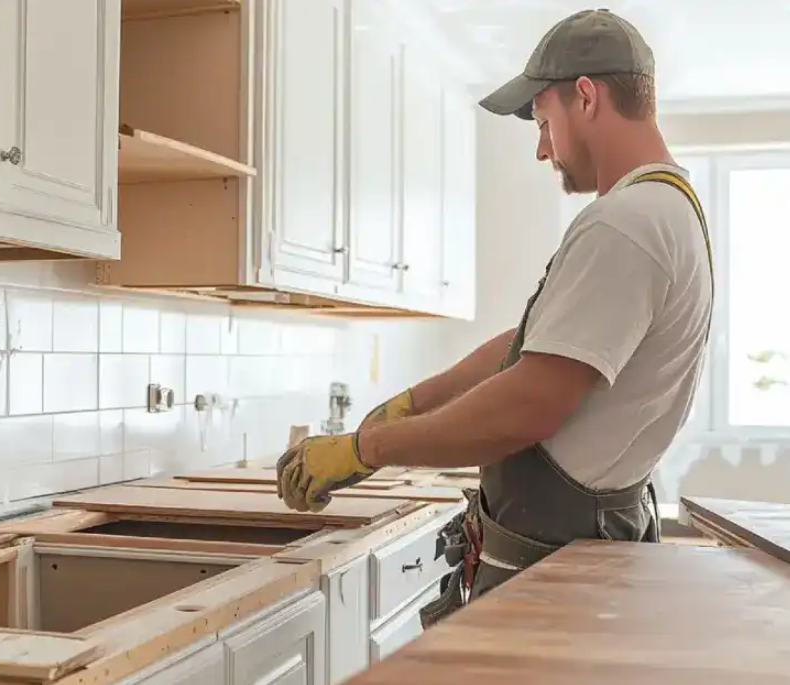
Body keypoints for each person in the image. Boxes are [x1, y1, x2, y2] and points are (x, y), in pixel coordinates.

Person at [275, 8, 713, 601]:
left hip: (557, 579)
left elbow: (526, 405)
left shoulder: (627, 223)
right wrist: (412, 404)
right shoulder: (663, 207)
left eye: (542, 121)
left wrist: (366, 449)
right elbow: (537, 344)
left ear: (585, 97)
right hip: (569, 559)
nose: (542, 149)